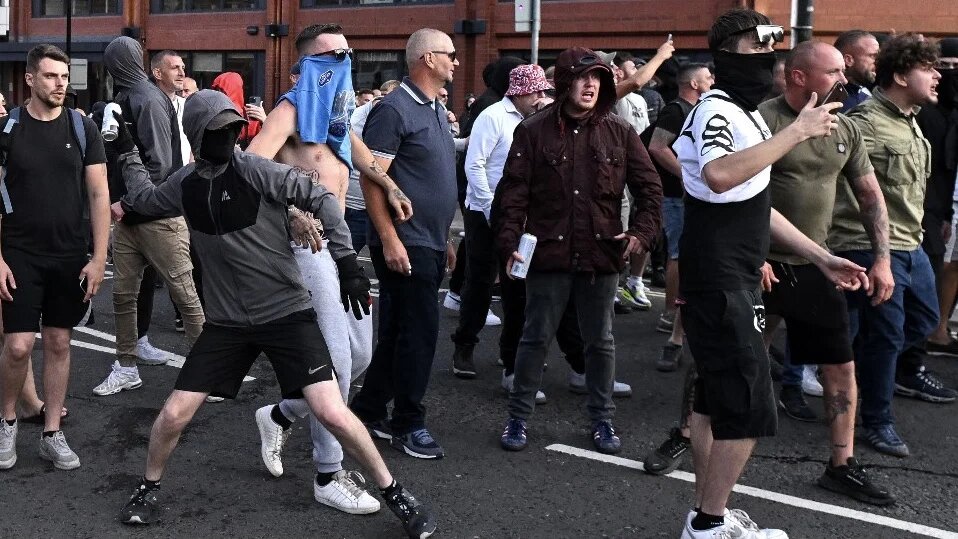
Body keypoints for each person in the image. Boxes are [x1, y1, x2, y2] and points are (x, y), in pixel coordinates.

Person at [107, 90, 436, 537]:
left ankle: (397, 493)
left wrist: (346, 265)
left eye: (232, 128)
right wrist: (125, 150)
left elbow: (320, 197)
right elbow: (144, 199)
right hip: (226, 325)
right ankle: (148, 487)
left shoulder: (255, 170)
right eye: (216, 131)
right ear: (197, 136)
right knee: (173, 415)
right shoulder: (185, 184)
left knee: (334, 410)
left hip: (285, 314)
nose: (227, 137)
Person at [673, 9, 869, 538]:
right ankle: (709, 523)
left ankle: (705, 514)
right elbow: (717, 175)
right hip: (718, 274)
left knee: (718, 401)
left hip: (732, 269)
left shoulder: (747, 114)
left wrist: (821, 256)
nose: (767, 54)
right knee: (751, 402)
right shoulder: (718, 110)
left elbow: (757, 199)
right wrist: (800, 131)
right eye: (756, 45)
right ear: (725, 55)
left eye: (771, 44)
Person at [242, 23, 415, 513]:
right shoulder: (292, 109)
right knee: (336, 364)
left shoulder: (337, 113)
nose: (342, 60)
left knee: (359, 356)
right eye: (330, 55)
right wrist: (292, 212)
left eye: (347, 52)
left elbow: (360, 157)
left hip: (341, 250)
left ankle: (279, 414)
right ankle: (328, 473)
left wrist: (391, 186)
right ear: (304, 67)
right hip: (306, 251)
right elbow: (250, 164)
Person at [495, 47, 663, 455]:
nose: (591, 85)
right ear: (565, 82)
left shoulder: (619, 131)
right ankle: (517, 418)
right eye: (583, 77)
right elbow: (514, 192)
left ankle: (602, 421)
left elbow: (650, 188)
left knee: (600, 341)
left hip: (601, 253)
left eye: (599, 79)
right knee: (535, 338)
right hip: (548, 252)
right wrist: (509, 241)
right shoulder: (533, 130)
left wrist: (642, 231)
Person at [759, 40, 895, 506]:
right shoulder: (762, 120)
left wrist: (883, 259)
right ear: (799, 77)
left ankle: (842, 466)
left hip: (817, 263)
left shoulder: (846, 127)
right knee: (729, 356)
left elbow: (871, 197)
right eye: (833, 70)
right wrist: (753, 254)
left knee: (840, 365)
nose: (845, 77)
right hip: (760, 264)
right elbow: (738, 192)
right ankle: (685, 433)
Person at [831, 34, 955, 459]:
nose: (938, 75)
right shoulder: (864, 121)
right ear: (901, 75)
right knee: (886, 335)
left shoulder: (911, 118)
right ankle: (876, 422)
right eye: (928, 68)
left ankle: (857, 372)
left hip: (910, 242)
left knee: (925, 320)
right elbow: (843, 187)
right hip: (869, 244)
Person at [349, 28, 459, 460]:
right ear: (427, 59)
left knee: (397, 332)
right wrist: (390, 237)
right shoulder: (393, 110)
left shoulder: (432, 106)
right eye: (449, 54)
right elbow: (374, 179)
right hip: (406, 241)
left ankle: (370, 409)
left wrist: (446, 236)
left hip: (428, 239)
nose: (455, 60)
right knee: (419, 335)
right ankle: (408, 423)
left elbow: (434, 178)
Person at [0, 44, 110, 471]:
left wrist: (99, 257)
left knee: (61, 342)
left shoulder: (83, 129)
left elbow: (100, 194)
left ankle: (51, 432)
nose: (60, 84)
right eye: (50, 76)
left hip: (68, 254)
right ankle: (7, 422)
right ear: (30, 79)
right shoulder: (8, 130)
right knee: (18, 345)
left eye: (64, 77)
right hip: (20, 253)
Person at [96, 36, 204, 397]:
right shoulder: (131, 97)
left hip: (155, 215)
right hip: (132, 217)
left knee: (186, 296)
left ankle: (208, 373)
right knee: (124, 296)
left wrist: (126, 203)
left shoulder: (144, 98)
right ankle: (126, 365)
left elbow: (158, 165)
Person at [451, 64, 553, 379]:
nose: (541, 97)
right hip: (485, 211)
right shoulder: (493, 116)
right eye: (536, 91)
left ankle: (512, 353)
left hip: (522, 213)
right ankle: (464, 347)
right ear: (520, 92)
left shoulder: (538, 120)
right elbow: (475, 164)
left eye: (543, 91)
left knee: (517, 285)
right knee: (480, 282)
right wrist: (488, 208)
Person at [649, 63, 713, 372]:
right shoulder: (676, 111)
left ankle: (678, 320)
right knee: (678, 252)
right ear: (695, 83)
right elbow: (657, 147)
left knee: (688, 253)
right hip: (676, 196)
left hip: (690, 195)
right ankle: (669, 314)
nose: (712, 80)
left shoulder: (700, 109)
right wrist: (688, 177)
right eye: (707, 77)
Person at [919, 38, 958, 355]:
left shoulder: (950, 110)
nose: (947, 75)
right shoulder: (921, 111)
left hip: (940, 209)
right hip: (914, 212)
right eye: (942, 67)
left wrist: (945, 214)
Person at [211, 72, 265, 149]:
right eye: (217, 91)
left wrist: (265, 122)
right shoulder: (211, 115)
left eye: (222, 91)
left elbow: (270, 144)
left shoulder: (252, 117)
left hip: (247, 158)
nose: (219, 95)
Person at [834, 30, 880, 112]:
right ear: (848, 60)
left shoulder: (872, 93)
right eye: (873, 56)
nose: (878, 61)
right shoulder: (834, 102)